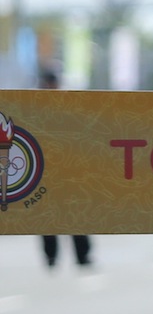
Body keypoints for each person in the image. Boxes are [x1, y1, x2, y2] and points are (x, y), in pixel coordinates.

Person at [37, 65, 93, 269]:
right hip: (46, 168)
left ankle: (82, 255)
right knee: (47, 215)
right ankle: (51, 256)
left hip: (68, 167)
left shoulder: (67, 105)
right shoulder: (36, 106)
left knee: (75, 212)